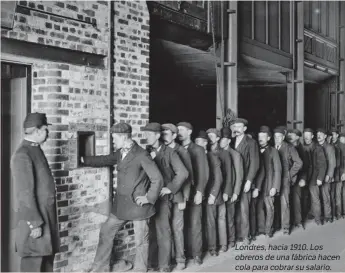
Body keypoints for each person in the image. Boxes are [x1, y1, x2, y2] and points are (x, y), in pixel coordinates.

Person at [81, 122, 163, 272]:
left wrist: (149, 198)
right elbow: (105, 159)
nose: (113, 141)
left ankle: (140, 269)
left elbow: (157, 178)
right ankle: (100, 268)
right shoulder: (119, 153)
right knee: (106, 231)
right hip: (122, 205)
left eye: (114, 138)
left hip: (139, 206)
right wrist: (83, 160)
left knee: (140, 242)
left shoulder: (141, 154)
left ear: (124, 137)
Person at [10, 112, 60, 272]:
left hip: (45, 216)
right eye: (46, 130)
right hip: (36, 221)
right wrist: (35, 224)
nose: (48, 133)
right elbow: (24, 194)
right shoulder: (22, 154)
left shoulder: (34, 149)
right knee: (33, 265)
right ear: (38, 131)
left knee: (45, 263)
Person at [143, 123, 188, 272]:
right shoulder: (146, 152)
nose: (146, 137)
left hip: (163, 198)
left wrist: (170, 188)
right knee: (152, 232)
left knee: (164, 231)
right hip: (150, 198)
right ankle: (153, 263)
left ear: (157, 136)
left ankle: (164, 266)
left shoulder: (170, 152)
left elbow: (183, 173)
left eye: (149, 134)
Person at [161, 123, 193, 270]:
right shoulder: (162, 151)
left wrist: (184, 198)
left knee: (177, 228)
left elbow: (188, 177)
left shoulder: (181, 152)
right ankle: (170, 258)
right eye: (162, 134)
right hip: (165, 197)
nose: (163, 137)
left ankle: (180, 259)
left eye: (167, 134)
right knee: (166, 229)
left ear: (174, 136)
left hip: (178, 196)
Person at [177, 122, 208, 265]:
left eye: (182, 130)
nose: (179, 132)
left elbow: (204, 173)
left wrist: (200, 192)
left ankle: (197, 254)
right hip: (182, 193)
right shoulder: (176, 149)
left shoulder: (199, 149)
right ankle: (187, 252)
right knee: (183, 224)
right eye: (177, 130)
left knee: (195, 224)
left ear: (190, 132)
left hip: (195, 192)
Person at [231, 118, 259, 245]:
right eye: (234, 126)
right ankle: (236, 235)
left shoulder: (251, 142)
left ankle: (246, 235)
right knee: (234, 210)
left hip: (245, 181)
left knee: (244, 209)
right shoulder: (230, 142)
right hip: (233, 181)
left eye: (239, 126)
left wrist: (249, 181)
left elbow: (255, 163)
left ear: (245, 129)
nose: (236, 128)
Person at [273, 127, 302, 235]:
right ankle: (276, 224)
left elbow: (299, 163)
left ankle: (286, 227)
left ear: (283, 137)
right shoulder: (273, 147)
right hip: (275, 179)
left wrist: (289, 175)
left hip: (285, 178)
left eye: (279, 137)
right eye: (275, 137)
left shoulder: (289, 147)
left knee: (285, 202)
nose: (277, 139)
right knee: (274, 203)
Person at [206, 128, 230, 255]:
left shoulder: (223, 153)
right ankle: (212, 247)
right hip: (210, 190)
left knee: (221, 219)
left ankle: (223, 244)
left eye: (212, 136)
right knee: (211, 221)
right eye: (208, 136)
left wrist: (227, 191)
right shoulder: (205, 152)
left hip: (219, 191)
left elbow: (229, 174)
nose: (210, 138)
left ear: (218, 138)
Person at [219, 127, 243, 248]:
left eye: (223, 139)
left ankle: (232, 240)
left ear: (228, 140)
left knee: (230, 217)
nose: (220, 142)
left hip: (231, 190)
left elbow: (239, 176)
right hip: (220, 191)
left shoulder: (235, 155)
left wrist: (236, 192)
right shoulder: (217, 152)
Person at [255, 126, 281, 238]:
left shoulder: (273, 151)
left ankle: (268, 230)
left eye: (263, 136)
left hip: (269, 185)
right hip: (258, 186)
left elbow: (278, 170)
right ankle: (261, 228)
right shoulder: (255, 150)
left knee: (270, 208)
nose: (260, 138)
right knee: (259, 207)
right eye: (259, 136)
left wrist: (275, 187)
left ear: (269, 138)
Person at [300, 128, 326, 225]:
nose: (306, 137)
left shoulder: (317, 148)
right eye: (305, 135)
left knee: (315, 198)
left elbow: (323, 164)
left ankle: (318, 219)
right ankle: (311, 213)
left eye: (308, 135)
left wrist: (320, 178)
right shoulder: (302, 147)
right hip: (305, 176)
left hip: (314, 177)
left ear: (312, 136)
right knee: (307, 197)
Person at [287, 129, 309, 228]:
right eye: (289, 133)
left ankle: (298, 221)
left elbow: (306, 166)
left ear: (297, 137)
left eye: (293, 134)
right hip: (287, 178)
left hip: (298, 178)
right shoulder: (287, 146)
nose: (290, 135)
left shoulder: (302, 149)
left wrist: (303, 178)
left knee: (297, 200)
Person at [316, 128, 336, 223]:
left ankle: (328, 216)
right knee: (317, 196)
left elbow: (332, 163)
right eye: (317, 134)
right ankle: (318, 214)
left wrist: (329, 175)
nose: (318, 136)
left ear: (325, 136)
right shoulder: (315, 146)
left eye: (321, 134)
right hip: (317, 176)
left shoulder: (329, 147)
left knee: (326, 196)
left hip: (326, 175)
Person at [330, 129, 345, 220]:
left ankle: (339, 213)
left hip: (339, 173)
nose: (332, 136)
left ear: (337, 135)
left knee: (338, 194)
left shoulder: (342, 146)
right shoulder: (330, 145)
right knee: (332, 194)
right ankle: (334, 214)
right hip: (332, 174)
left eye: (334, 134)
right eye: (331, 135)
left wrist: (344, 172)